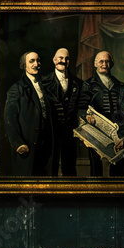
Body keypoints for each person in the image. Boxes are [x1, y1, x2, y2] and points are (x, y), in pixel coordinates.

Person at [3, 51, 54, 176]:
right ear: (24, 65)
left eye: (38, 61)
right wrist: (18, 143)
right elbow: (9, 119)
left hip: (46, 143)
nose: (36, 64)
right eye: (31, 61)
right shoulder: (17, 88)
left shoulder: (45, 86)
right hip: (27, 144)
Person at [77, 51, 122, 176]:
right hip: (95, 129)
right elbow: (81, 107)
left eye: (107, 61)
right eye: (101, 61)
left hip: (115, 129)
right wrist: (86, 116)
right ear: (95, 64)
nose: (104, 64)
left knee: (116, 162)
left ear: (111, 64)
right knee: (96, 164)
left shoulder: (117, 83)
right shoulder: (88, 84)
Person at [44, 48, 83, 176]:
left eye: (66, 59)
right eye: (60, 58)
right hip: (51, 132)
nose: (63, 61)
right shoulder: (44, 82)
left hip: (70, 131)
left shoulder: (78, 83)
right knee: (51, 166)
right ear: (54, 60)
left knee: (70, 167)